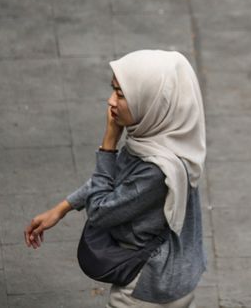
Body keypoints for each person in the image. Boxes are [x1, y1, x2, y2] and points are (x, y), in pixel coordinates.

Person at [24, 50, 206, 307]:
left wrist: (109, 144)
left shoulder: (156, 169)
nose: (110, 101)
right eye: (113, 90)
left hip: (147, 287)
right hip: (178, 275)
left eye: (121, 94)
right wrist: (63, 208)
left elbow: (100, 211)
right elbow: (118, 180)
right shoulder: (169, 140)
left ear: (152, 100)